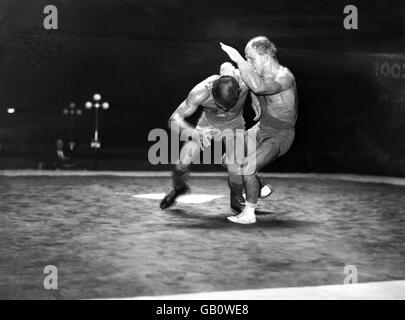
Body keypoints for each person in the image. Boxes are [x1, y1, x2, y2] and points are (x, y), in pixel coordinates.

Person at [160, 62, 272, 212]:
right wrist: (194, 133)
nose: (225, 109)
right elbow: (174, 119)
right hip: (207, 126)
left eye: (229, 105)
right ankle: (179, 188)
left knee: (235, 168)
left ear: (239, 89)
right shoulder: (201, 92)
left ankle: (236, 199)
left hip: (234, 126)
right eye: (220, 105)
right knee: (181, 165)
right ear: (213, 92)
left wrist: (255, 97)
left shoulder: (244, 80)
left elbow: (258, 80)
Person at [220, 36, 298, 224]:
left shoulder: (284, 76)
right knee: (228, 159)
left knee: (247, 167)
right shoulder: (259, 70)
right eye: (246, 58)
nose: (248, 62)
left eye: (251, 58)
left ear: (265, 57)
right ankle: (259, 186)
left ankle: (249, 214)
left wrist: (238, 58)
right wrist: (226, 67)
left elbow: (258, 85)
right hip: (262, 127)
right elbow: (237, 77)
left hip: (280, 135)